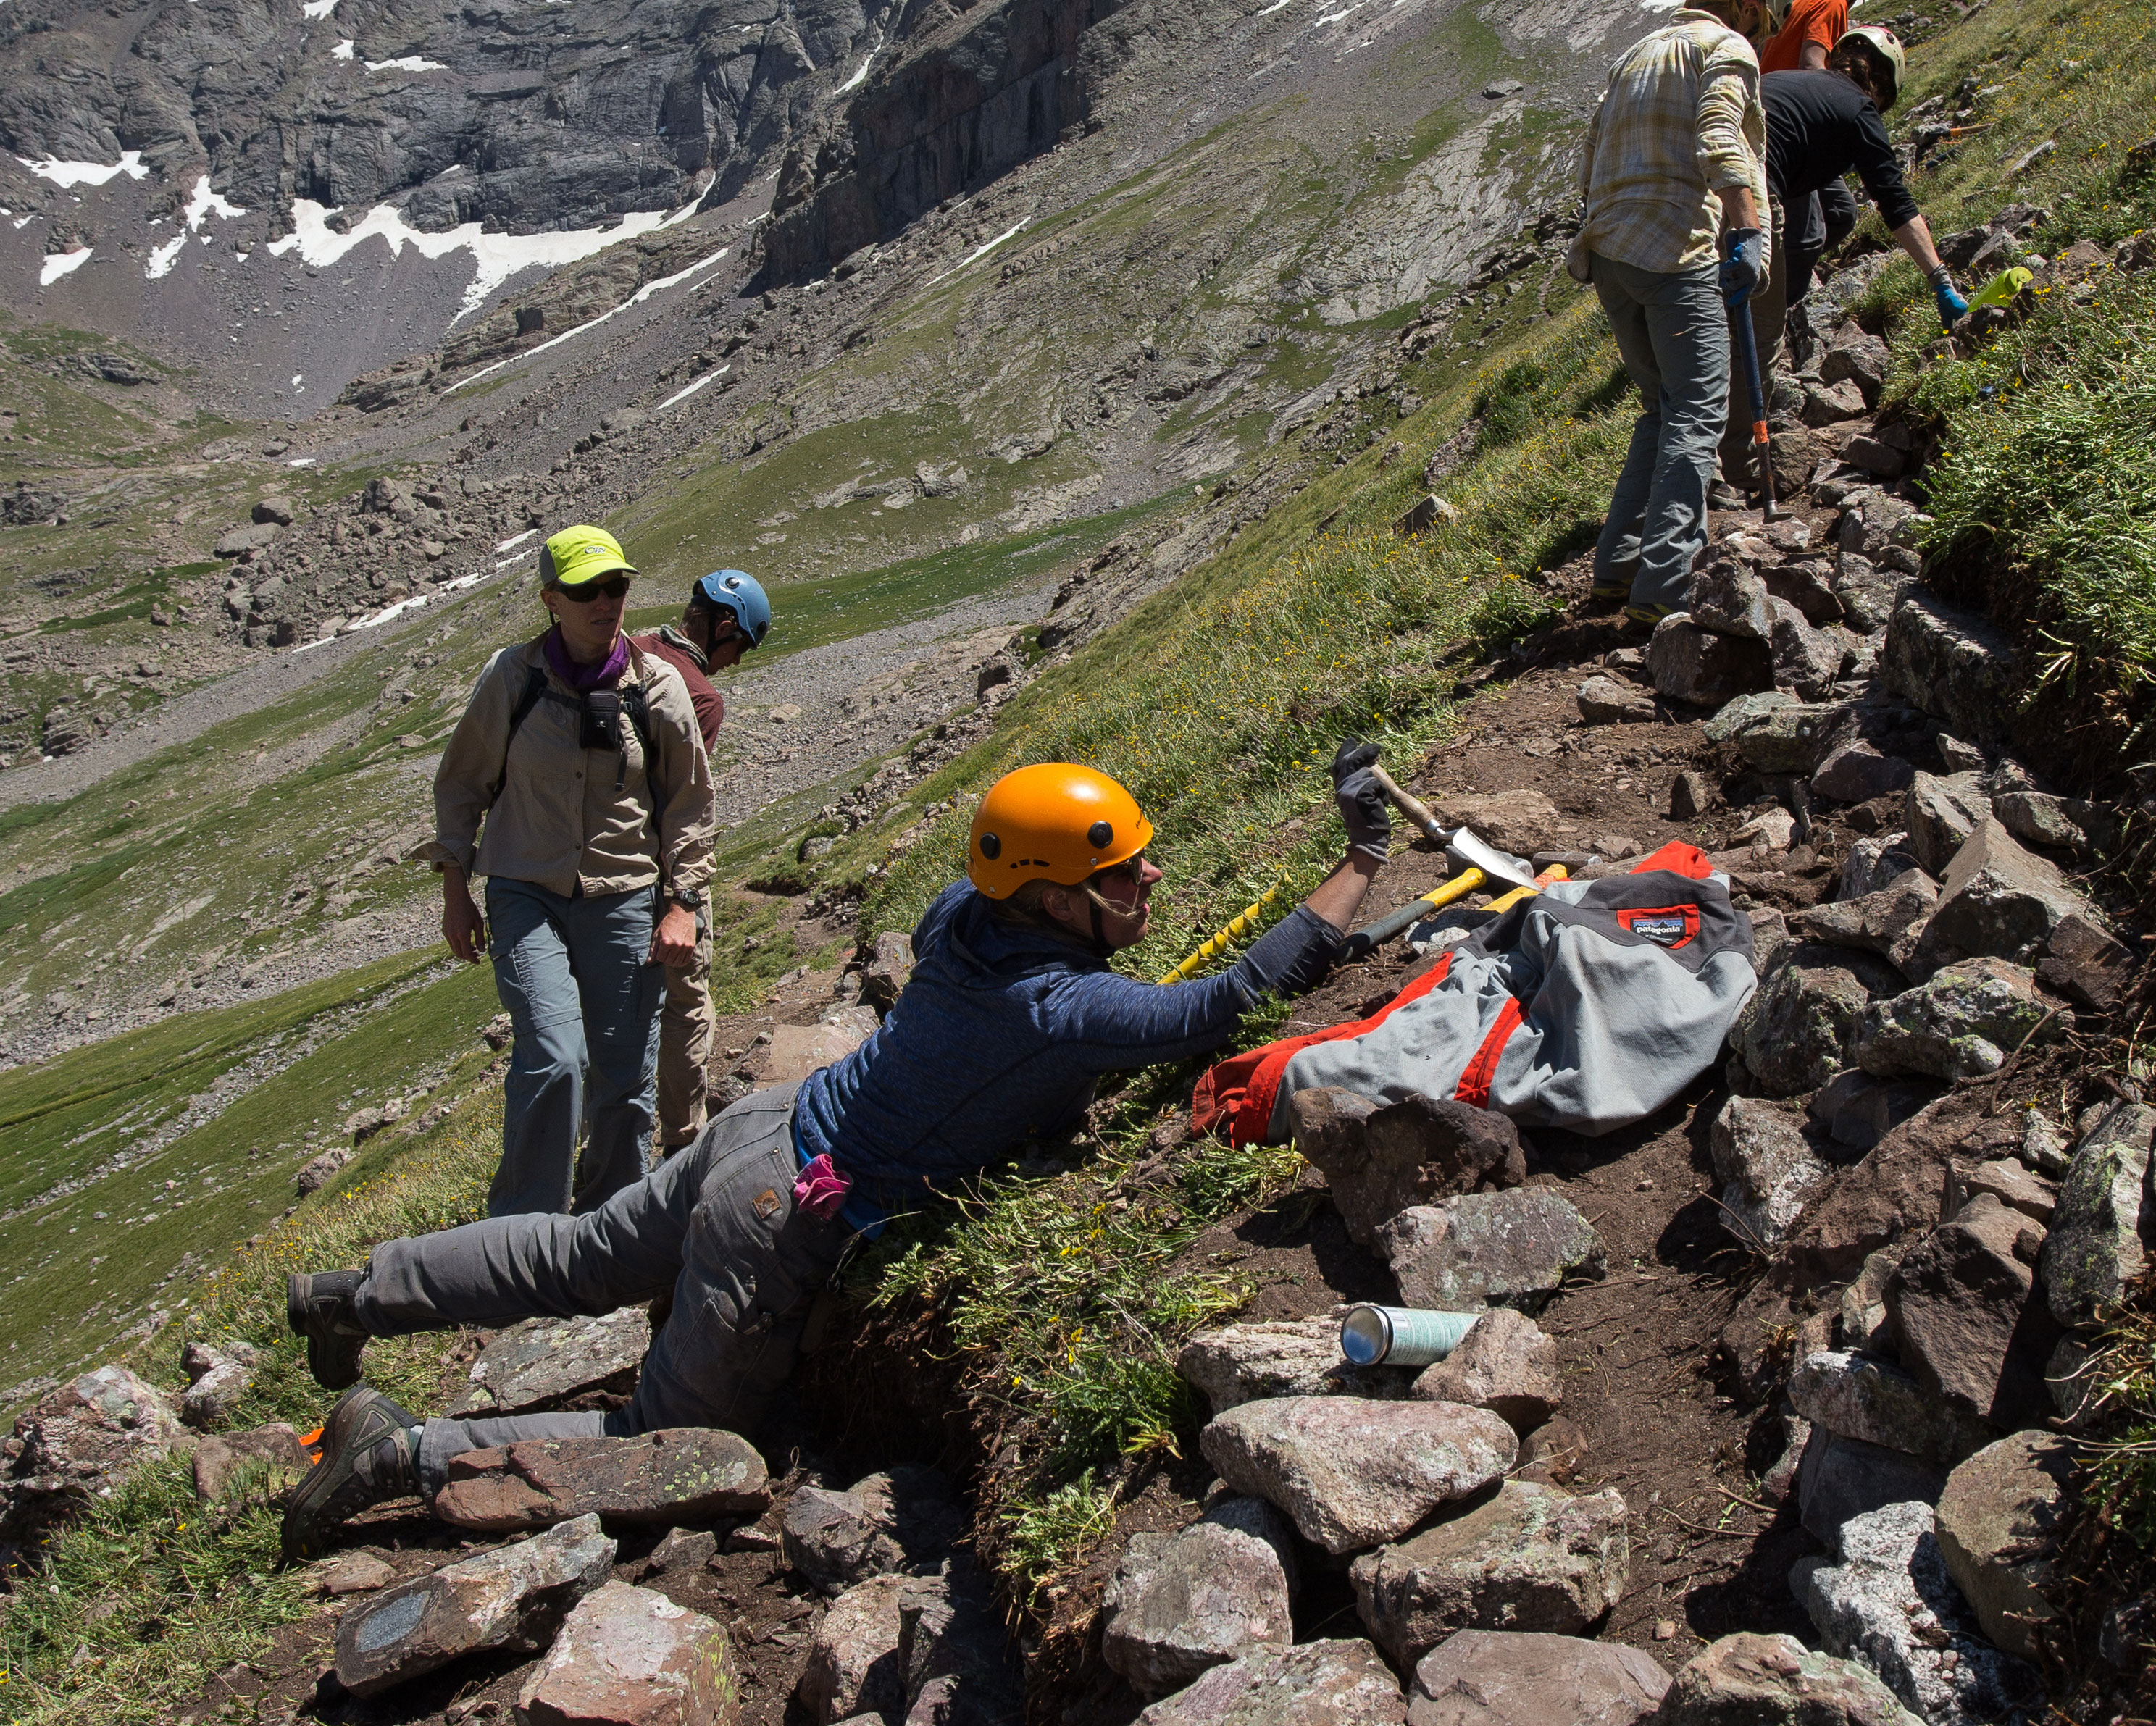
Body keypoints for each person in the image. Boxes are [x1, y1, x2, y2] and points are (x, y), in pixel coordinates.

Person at [277, 747, 1397, 1558]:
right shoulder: (1057, 1006)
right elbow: (1231, 1002)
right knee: (664, 1435)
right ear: (1054, 895)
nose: (1147, 881)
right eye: (1121, 876)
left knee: (578, 1253)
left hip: (763, 1125)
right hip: (780, 1215)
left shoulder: (967, 907)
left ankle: (354, 1294)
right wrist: (1363, 856)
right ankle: (402, 1456)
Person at [429, 526, 714, 1220]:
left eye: (616, 586)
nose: (605, 602)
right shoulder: (513, 678)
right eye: (586, 590)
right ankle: (522, 1231)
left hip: (626, 896)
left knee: (623, 1080)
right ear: (551, 599)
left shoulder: (659, 689)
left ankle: (607, 1233)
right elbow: (463, 783)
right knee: (555, 1056)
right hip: (525, 890)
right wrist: (454, 891)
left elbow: (689, 807)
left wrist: (683, 905)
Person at [1570, 0, 1788, 626]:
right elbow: (1720, 132)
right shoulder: (1726, 50)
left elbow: (1592, 147)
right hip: (1674, 247)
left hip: (1610, 249)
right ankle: (1666, 580)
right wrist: (1747, 229)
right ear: (1751, 8)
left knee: (1660, 408)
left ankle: (1617, 564)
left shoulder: (1635, 53)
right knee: (1697, 410)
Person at [1722, 20, 1968, 479]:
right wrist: (1940, 279)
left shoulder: (1786, 81)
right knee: (1760, 335)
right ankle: (1735, 467)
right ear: (1882, 85)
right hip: (1751, 196)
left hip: (1702, 191)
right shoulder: (1858, 110)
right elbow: (1895, 204)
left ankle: (1694, 445)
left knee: (1713, 324)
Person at [630, 570, 773, 1154]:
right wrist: (681, 897)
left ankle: (611, 1145)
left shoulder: (629, 650)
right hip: (659, 875)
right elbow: (681, 802)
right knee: (686, 1007)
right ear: (722, 626)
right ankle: (684, 1144)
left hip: (590, 873)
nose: (736, 662)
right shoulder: (699, 695)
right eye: (740, 646)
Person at [1760, 0, 1879, 266]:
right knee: (1807, 237)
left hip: (1769, 123)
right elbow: (1812, 64)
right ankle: (1777, 296)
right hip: (1791, 133)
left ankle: (1789, 277)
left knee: (1840, 211)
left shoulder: (1803, 1)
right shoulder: (1833, 1)